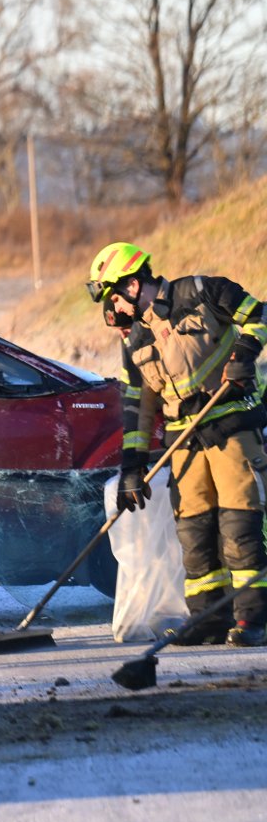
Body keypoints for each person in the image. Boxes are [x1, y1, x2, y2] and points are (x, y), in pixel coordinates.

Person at [89, 242, 267, 646]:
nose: (112, 306)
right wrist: (132, 468)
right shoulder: (134, 340)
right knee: (194, 533)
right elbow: (136, 410)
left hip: (231, 427)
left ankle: (251, 619)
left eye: (114, 294)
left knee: (239, 528)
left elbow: (260, 314)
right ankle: (207, 619)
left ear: (133, 285)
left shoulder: (203, 292)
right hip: (184, 442)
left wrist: (245, 351)